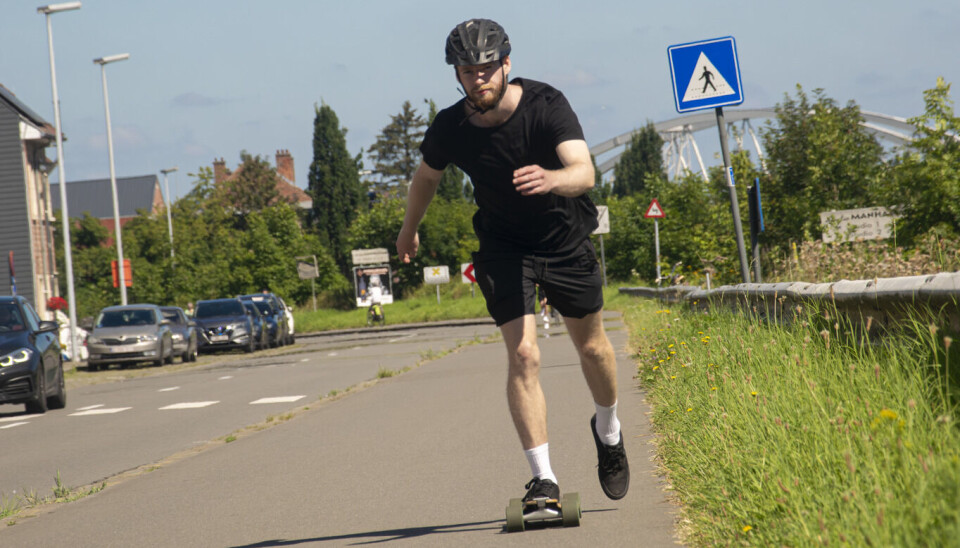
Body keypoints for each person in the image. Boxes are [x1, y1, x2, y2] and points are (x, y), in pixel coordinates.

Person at [396, 18, 629, 504]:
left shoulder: (546, 105)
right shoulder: (451, 126)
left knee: (594, 351)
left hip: (565, 239)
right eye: (466, 70)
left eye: (485, 68)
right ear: (456, 73)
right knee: (524, 354)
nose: (477, 78)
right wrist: (409, 228)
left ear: (505, 64)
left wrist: (551, 179)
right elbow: (425, 178)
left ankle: (608, 430)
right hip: (504, 247)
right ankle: (544, 479)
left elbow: (584, 172)